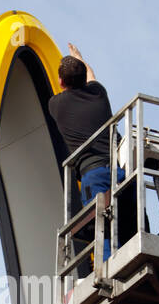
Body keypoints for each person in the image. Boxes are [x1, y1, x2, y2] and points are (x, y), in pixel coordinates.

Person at [49, 44, 125, 262]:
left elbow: (82, 78)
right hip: (120, 171)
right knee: (128, 221)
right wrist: (79, 58)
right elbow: (91, 75)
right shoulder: (99, 94)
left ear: (61, 82)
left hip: (94, 175)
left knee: (105, 228)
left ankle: (108, 270)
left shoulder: (56, 105)